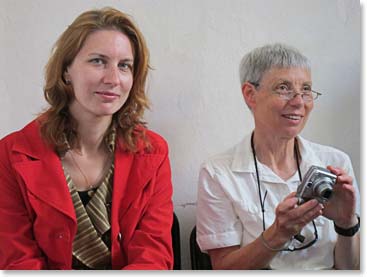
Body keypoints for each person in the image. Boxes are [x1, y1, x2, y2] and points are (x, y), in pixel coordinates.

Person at [0, 7, 173, 270]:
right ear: (66, 70)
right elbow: (17, 261)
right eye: (98, 61)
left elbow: (153, 257)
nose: (113, 78)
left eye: (124, 65)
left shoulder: (153, 152)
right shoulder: (12, 153)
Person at [196, 43, 360, 270]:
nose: (299, 102)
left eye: (306, 89)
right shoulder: (218, 173)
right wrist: (278, 234)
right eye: (284, 88)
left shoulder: (336, 163)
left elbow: (351, 269)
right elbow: (224, 269)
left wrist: (346, 223)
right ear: (250, 95)